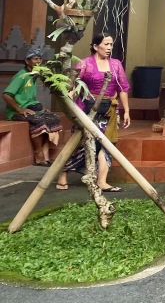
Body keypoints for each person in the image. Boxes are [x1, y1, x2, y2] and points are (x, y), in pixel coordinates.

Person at [59, 32, 131, 191]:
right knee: (80, 143)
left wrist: (126, 111)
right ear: (96, 46)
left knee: (108, 144)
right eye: (106, 44)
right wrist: (69, 98)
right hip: (88, 109)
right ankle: (63, 175)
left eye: (111, 44)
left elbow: (123, 88)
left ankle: (102, 181)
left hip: (110, 110)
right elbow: (73, 84)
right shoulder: (85, 64)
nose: (109, 47)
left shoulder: (116, 64)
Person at [3, 48, 63, 166]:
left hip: (31, 108)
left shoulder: (35, 75)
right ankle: (38, 154)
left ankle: (45, 153)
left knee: (53, 118)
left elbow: (28, 98)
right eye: (35, 59)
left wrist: (41, 110)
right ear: (27, 61)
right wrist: (19, 109)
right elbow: (6, 95)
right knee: (38, 121)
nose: (38, 61)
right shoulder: (22, 76)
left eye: (40, 59)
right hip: (15, 112)